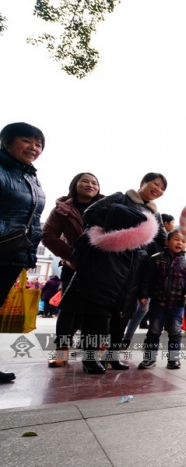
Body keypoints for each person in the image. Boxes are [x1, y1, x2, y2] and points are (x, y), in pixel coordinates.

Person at [69, 172, 167, 373]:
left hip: (135, 268)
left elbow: (160, 241)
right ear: (143, 182)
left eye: (162, 188)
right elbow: (90, 214)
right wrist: (124, 229)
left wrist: (148, 252)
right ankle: (89, 359)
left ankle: (112, 356)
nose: (158, 190)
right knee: (97, 312)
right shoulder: (120, 198)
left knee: (122, 314)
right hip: (108, 263)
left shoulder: (155, 214)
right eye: (155, 184)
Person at [42, 172, 103, 366]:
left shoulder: (108, 208)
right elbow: (49, 235)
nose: (90, 185)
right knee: (69, 310)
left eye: (95, 182)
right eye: (85, 181)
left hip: (103, 268)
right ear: (74, 184)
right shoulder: (62, 209)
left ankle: (93, 352)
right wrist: (71, 256)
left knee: (99, 311)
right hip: (74, 266)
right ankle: (62, 352)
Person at [0, 122, 46, 383]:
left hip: (12, 252)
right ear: (6, 142)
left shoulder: (30, 175)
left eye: (38, 144)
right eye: (27, 141)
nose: (34, 147)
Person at [137, 230, 186, 369]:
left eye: (183, 241)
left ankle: (173, 359)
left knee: (175, 332)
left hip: (177, 304)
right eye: (176, 239)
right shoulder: (155, 258)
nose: (180, 243)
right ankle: (149, 358)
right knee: (153, 331)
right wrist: (143, 295)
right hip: (158, 303)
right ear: (166, 242)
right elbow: (147, 279)